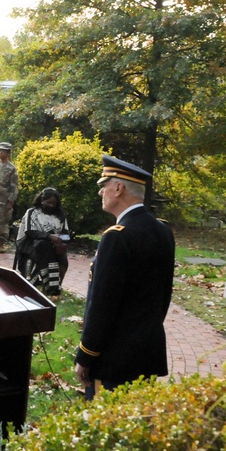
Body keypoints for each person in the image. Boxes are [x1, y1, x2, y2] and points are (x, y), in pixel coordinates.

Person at [75, 156, 174, 399]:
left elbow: (102, 305)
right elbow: (163, 297)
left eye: (104, 185)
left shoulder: (117, 236)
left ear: (118, 188)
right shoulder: (163, 231)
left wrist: (86, 355)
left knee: (105, 430)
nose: (101, 192)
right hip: (146, 353)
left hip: (113, 360)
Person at [16, 187, 71, 296]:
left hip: (53, 245)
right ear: (42, 201)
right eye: (48, 202)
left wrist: (59, 239)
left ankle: (55, 286)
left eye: (54, 203)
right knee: (44, 247)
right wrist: (49, 236)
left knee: (62, 258)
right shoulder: (32, 212)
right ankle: (50, 287)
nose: (51, 205)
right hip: (29, 243)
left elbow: (66, 234)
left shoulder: (60, 215)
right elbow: (29, 231)